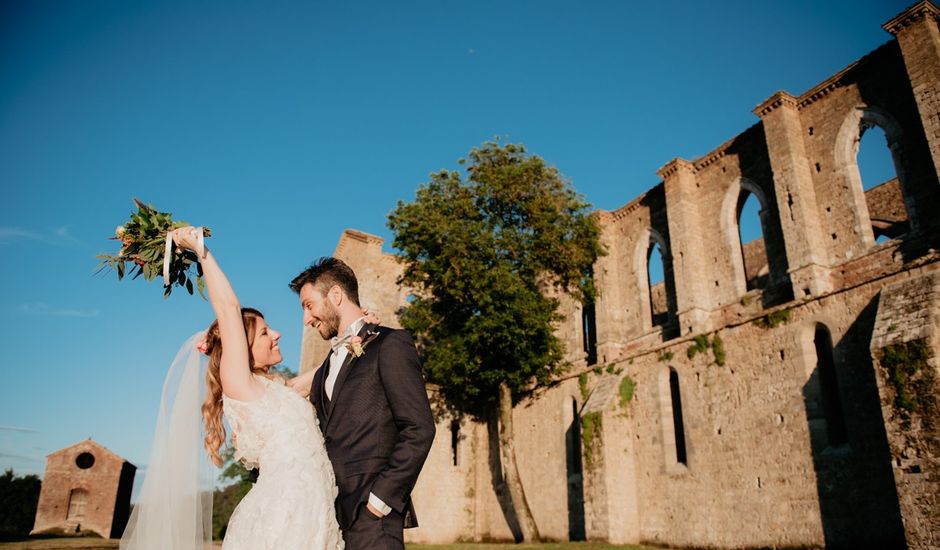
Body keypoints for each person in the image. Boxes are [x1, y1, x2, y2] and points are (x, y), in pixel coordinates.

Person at [120, 227, 343, 550]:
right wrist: (199, 251)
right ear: (243, 347)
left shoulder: (280, 391)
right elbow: (227, 307)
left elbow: (327, 370)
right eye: (266, 332)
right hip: (281, 520)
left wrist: (356, 335)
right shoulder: (241, 384)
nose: (278, 334)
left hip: (314, 513)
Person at [288, 257, 436, 550]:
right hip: (331, 519)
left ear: (336, 295)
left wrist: (381, 500)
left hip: (373, 516)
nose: (306, 319)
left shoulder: (390, 344)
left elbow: (419, 428)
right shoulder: (326, 367)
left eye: (308, 305)